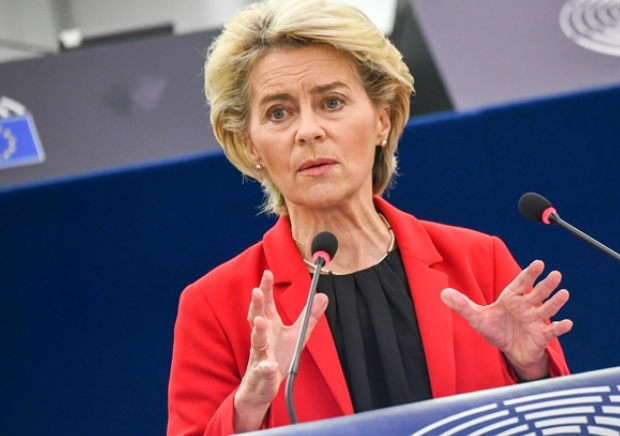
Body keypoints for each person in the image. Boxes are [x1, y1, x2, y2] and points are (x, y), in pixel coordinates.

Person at [167, 0, 572, 434]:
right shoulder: (215, 306)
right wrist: (248, 405)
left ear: (382, 119)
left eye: (332, 102)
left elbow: (563, 422)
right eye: (278, 113)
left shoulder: (479, 261)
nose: (308, 131)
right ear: (251, 145)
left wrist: (532, 371)